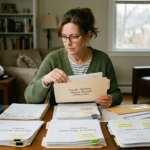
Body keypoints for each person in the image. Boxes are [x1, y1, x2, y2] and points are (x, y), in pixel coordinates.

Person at [24, 7, 122, 107]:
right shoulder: (52, 59)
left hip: (93, 118)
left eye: (74, 37)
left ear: (87, 35)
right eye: (64, 36)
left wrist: (111, 99)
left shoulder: (103, 59)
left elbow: (116, 94)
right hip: (59, 118)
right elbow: (29, 98)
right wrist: (45, 80)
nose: (68, 43)